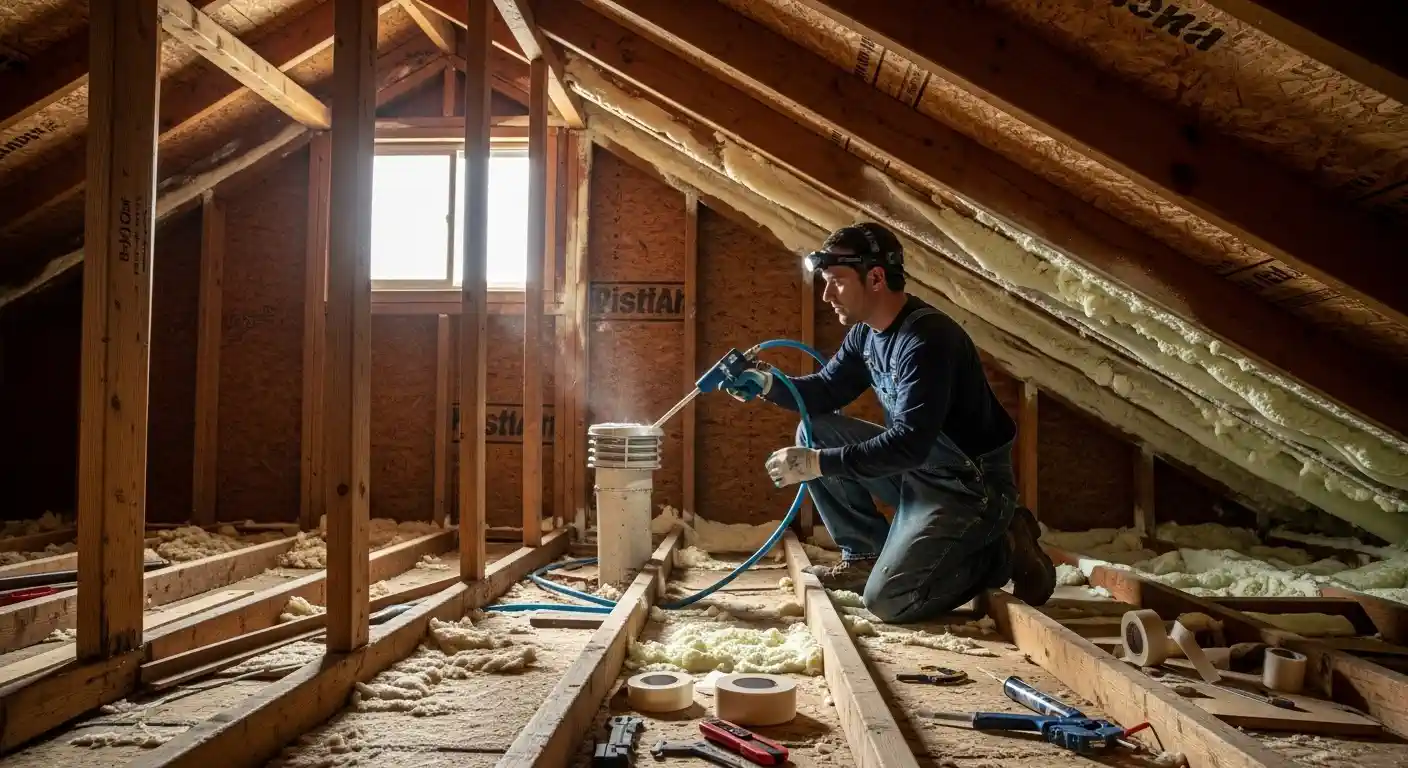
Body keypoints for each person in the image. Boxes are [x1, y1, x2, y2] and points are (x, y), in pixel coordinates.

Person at [724, 222, 1055, 623]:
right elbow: (827, 390)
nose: (827, 295)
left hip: (967, 488)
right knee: (816, 430)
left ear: (876, 278)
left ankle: (1000, 550)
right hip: (920, 472)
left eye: (837, 282)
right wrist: (768, 383)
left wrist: (818, 463)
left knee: (890, 601)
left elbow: (908, 444)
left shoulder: (928, 341)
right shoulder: (867, 333)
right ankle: (864, 554)